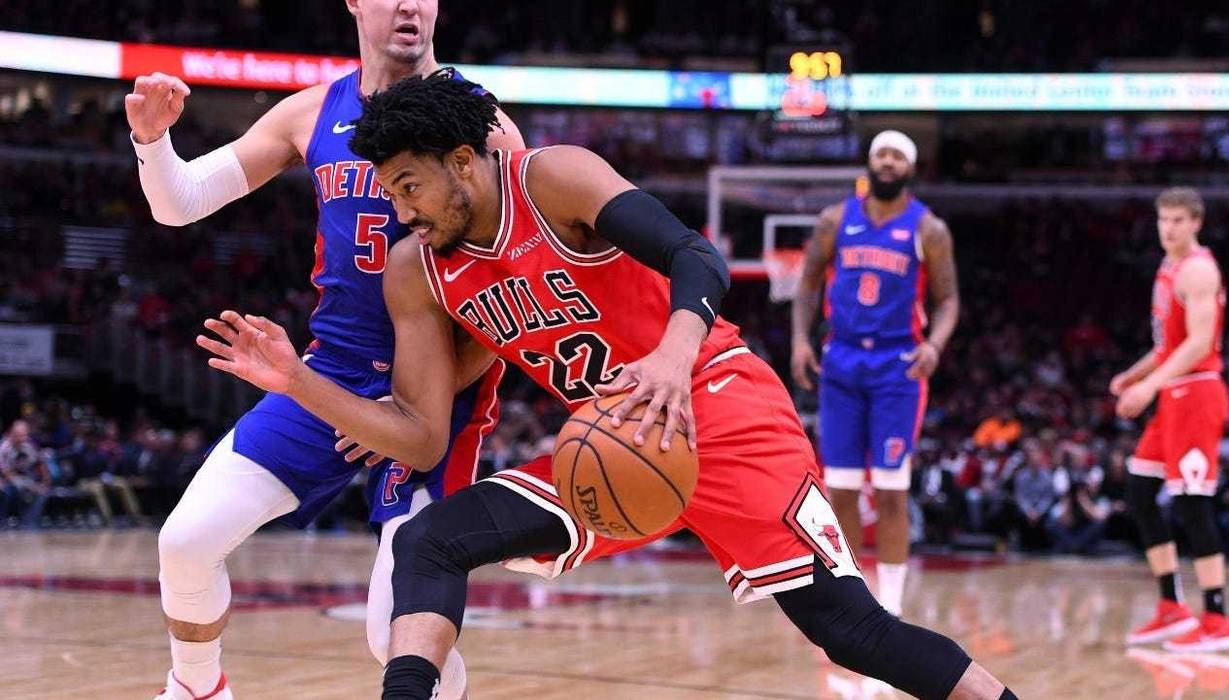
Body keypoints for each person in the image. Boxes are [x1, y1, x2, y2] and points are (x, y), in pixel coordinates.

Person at [198, 71, 1017, 700]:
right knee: (427, 541)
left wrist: (670, 353)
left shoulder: (552, 178)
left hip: (717, 404)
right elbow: (417, 434)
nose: (396, 208)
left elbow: (696, 256)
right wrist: (297, 380)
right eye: (386, 190)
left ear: (461, 164)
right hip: (614, 443)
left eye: (407, 186)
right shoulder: (416, 268)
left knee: (849, 633)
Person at [124, 1, 525, 697]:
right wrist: (154, 144)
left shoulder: (485, 127)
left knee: (393, 632)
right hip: (328, 376)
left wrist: (413, 411)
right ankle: (196, 688)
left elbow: (515, 294)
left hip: (440, 395)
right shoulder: (310, 112)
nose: (410, 4)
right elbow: (180, 203)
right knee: (184, 543)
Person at [790, 130, 960, 616]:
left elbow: (948, 300)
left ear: (909, 167)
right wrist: (802, 339)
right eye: (880, 154)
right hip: (841, 359)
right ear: (868, 162)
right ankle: (851, 598)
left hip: (897, 366)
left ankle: (890, 607)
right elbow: (805, 285)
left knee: (891, 489)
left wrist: (935, 344)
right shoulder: (834, 220)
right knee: (839, 486)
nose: (887, 163)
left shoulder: (928, 229)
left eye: (896, 156)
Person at [1113, 187, 1229, 652]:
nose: (1168, 228)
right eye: (1163, 219)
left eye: (1178, 220)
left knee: (1192, 503)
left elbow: (1200, 343)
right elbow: (1168, 345)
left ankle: (1218, 617)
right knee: (1140, 492)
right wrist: (1134, 374)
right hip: (1172, 393)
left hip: (1199, 392)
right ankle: (1172, 606)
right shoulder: (1168, 267)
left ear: (1197, 222)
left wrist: (1149, 386)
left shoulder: (1200, 269)